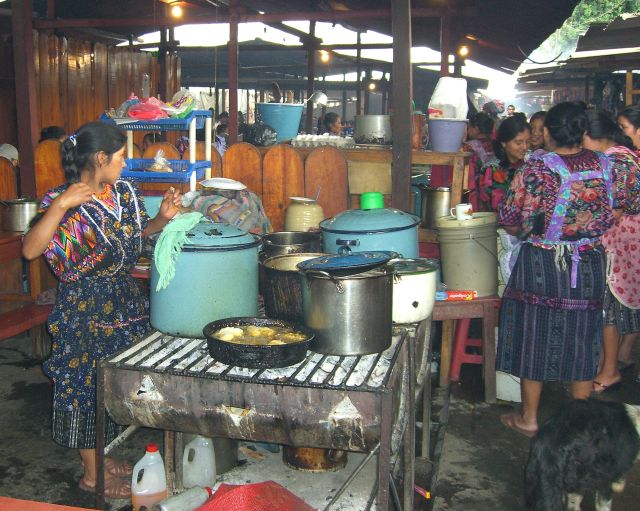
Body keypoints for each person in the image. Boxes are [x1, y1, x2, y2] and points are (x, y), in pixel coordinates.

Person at [21, 121, 182, 498]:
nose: (126, 164)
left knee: (113, 386)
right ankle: (92, 477)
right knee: (84, 389)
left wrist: (163, 219)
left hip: (122, 301)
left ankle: (102, 458)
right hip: (83, 309)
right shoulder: (60, 201)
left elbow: (137, 236)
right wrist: (61, 205)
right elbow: (30, 249)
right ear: (100, 157)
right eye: (122, 157)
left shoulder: (123, 192)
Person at [496, 102, 632, 438]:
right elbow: (628, 202)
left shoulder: (537, 170)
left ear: (549, 132)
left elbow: (511, 219)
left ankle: (529, 418)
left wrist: (538, 228)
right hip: (588, 261)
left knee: (534, 335)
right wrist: (591, 222)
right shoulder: (611, 165)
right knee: (584, 337)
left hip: (542, 262)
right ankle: (576, 424)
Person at [582, 110, 640, 392]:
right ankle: (613, 360)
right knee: (615, 305)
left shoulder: (618, 160)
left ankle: (609, 370)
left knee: (609, 307)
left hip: (622, 240)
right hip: (625, 237)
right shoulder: (619, 156)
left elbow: (613, 209)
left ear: (594, 136)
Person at [480, 115, 530, 211]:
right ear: (503, 143)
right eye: (518, 143)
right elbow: (497, 206)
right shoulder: (493, 169)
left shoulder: (529, 164)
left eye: (528, 142)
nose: (524, 147)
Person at [462, 112, 495, 211]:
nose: (468, 131)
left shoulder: (468, 147)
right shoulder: (496, 145)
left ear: (475, 129)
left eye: (469, 128)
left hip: (474, 191)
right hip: (493, 190)